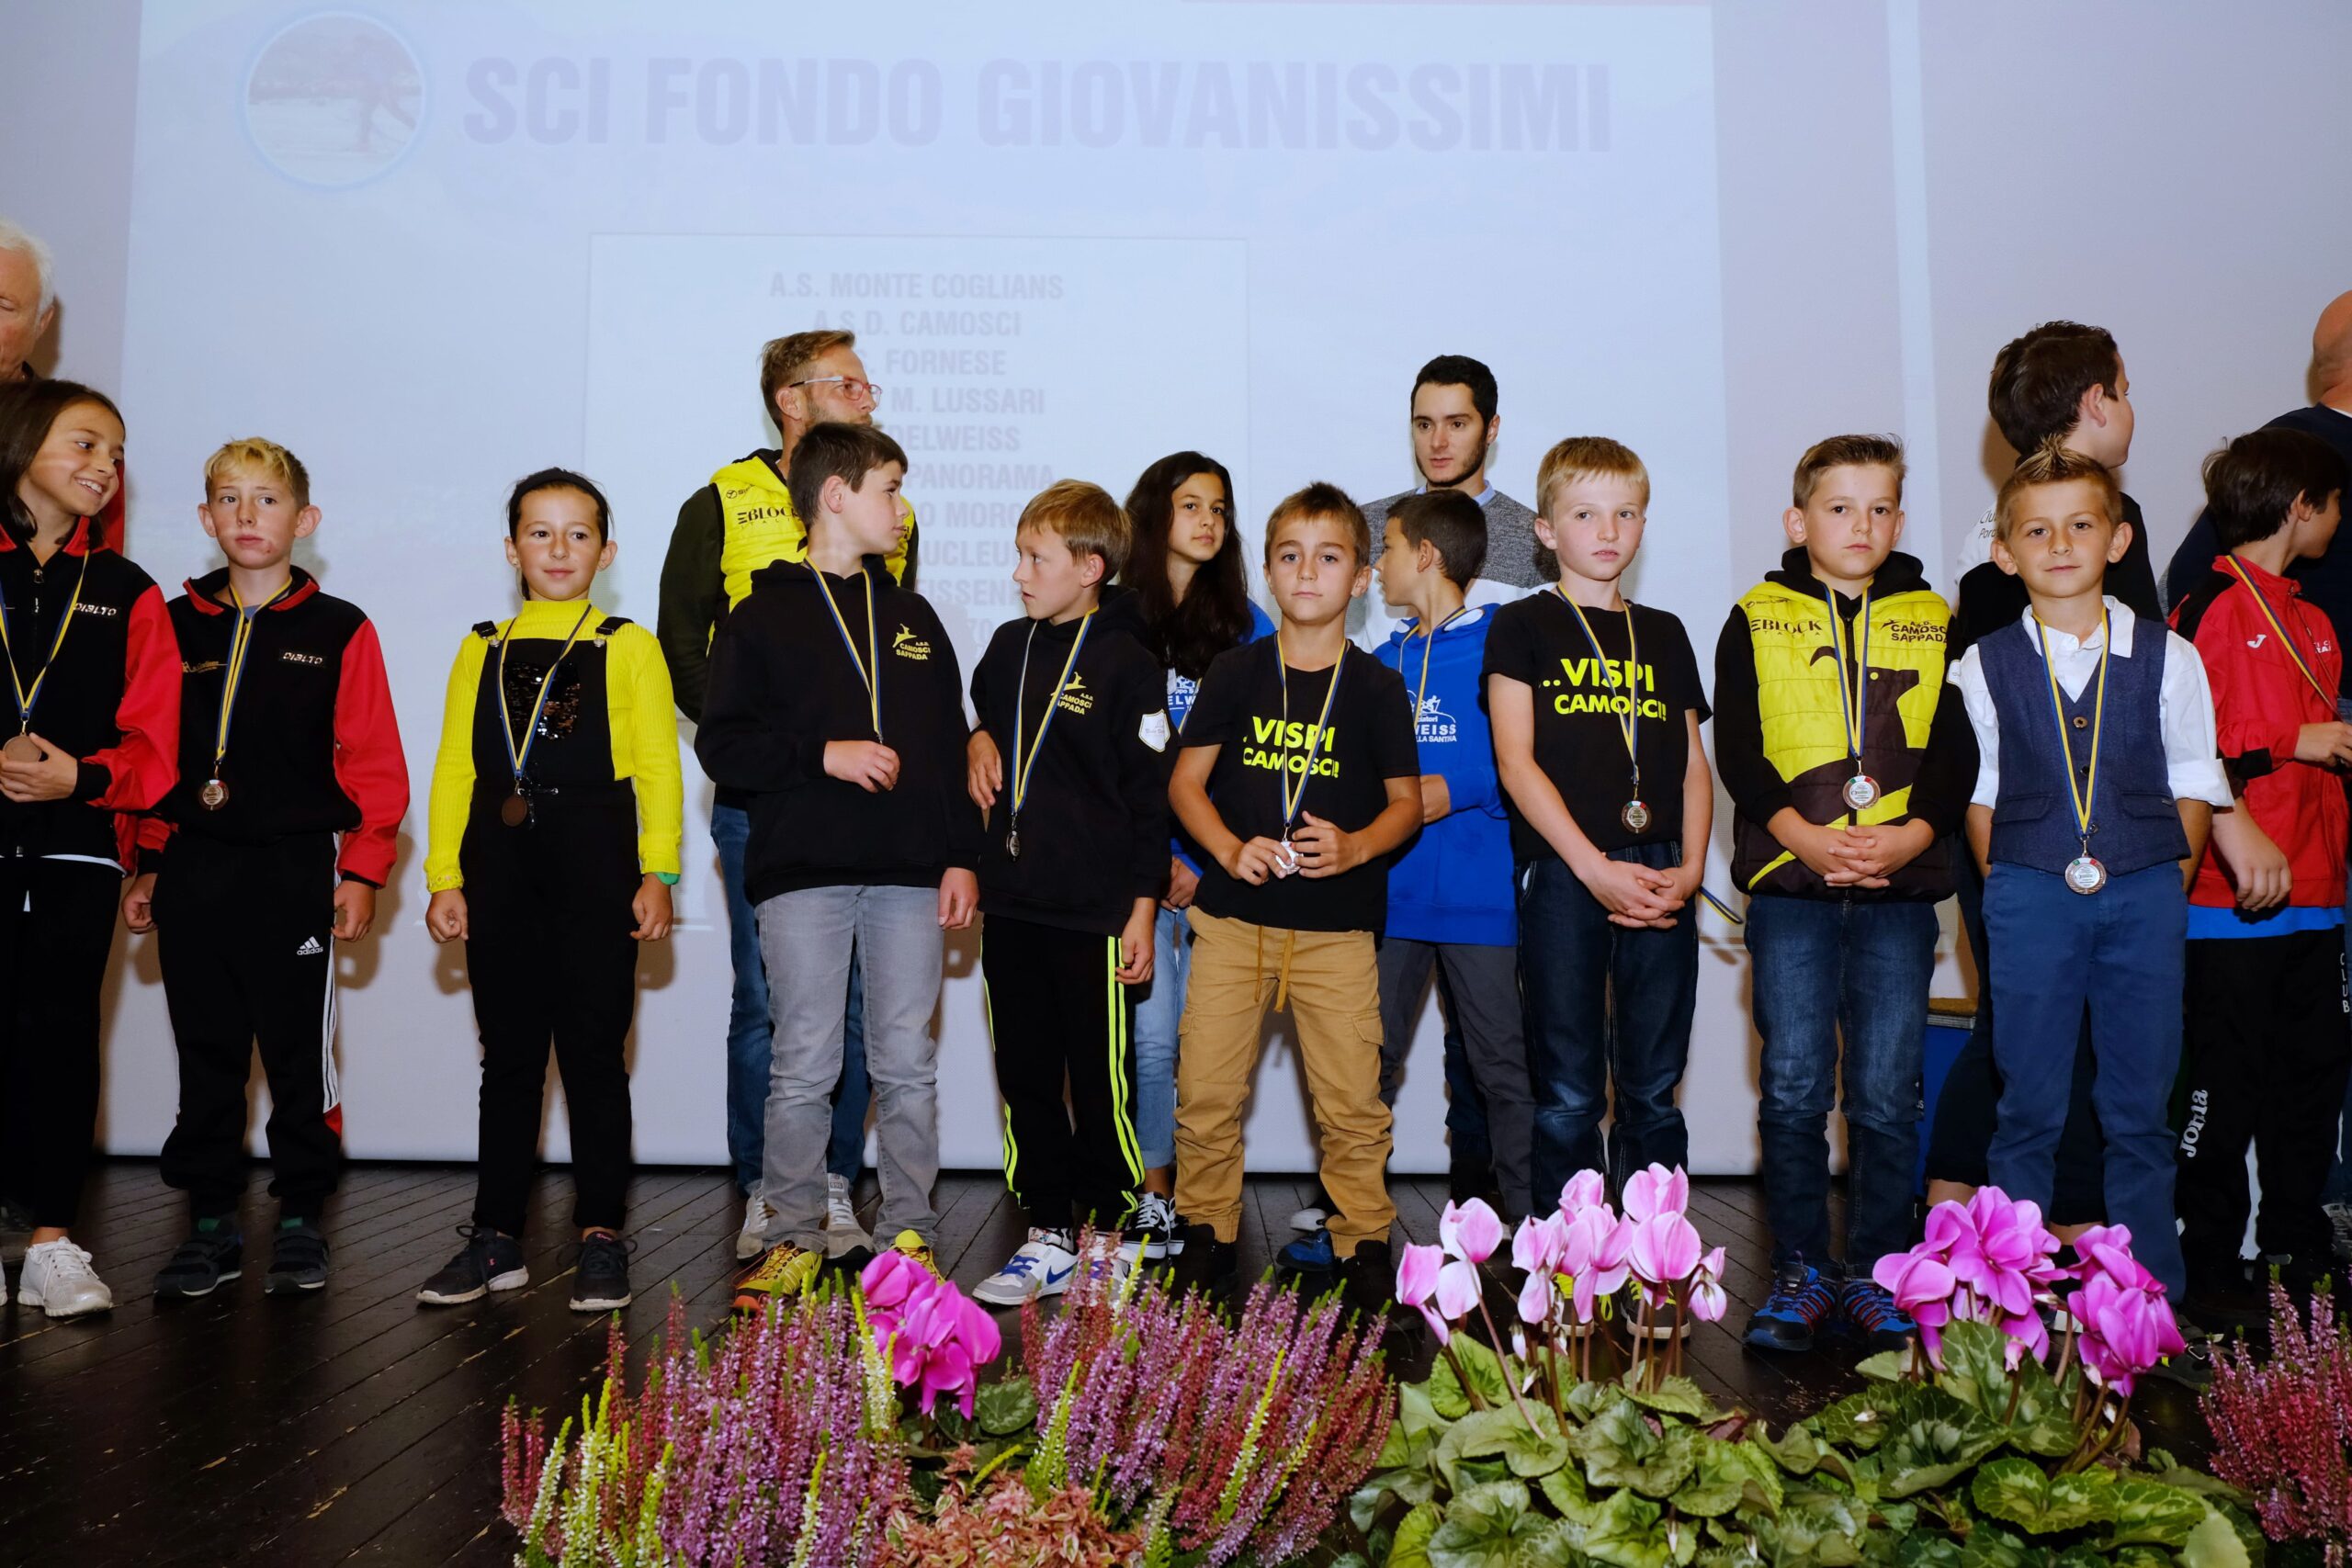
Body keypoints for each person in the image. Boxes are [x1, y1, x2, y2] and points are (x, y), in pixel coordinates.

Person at [697, 423, 977, 1314]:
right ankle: (790, 1236)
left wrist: (962, 856)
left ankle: (909, 1237)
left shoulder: (914, 618)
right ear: (835, 495)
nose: (902, 507)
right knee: (803, 1061)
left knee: (906, 1062)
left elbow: (947, 749)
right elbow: (722, 746)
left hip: (909, 875)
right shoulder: (760, 616)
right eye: (889, 488)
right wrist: (821, 755)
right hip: (804, 872)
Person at [124, 439, 407, 1300]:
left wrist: (362, 869)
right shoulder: (169, 623)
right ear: (206, 518)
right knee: (205, 1049)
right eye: (229, 499)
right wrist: (146, 859)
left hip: (294, 870)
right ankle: (210, 1219)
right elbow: (151, 754)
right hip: (193, 865)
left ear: (304, 519)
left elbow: (372, 761)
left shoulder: (341, 628)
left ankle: (300, 1214)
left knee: (295, 1055)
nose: (248, 515)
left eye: (268, 499)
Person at [1954, 443, 2233, 1312]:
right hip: (2029, 892)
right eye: (2037, 530)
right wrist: (2011, 885)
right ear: (2005, 553)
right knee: (2029, 1104)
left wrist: (2166, 883)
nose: (2061, 544)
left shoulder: (2170, 656)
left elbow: (2194, 781)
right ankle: (2014, 1300)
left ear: (2117, 539)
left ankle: (2149, 1303)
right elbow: (1980, 796)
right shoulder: (1982, 664)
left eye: (2081, 524)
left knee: (2138, 1107)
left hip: (2146, 891)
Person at [660, 328, 918, 1262]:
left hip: (864, 805)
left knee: (853, 1007)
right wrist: (768, 744)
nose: (866, 395)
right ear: (791, 399)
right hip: (761, 800)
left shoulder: (893, 510)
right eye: (848, 383)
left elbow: (899, 650)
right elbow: (682, 645)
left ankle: (835, 1184)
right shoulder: (719, 500)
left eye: (866, 383)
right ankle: (768, 1191)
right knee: (769, 1001)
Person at [1716, 434, 1972, 1354]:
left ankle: (1874, 1272)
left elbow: (1957, 751)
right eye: (1838, 507)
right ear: (1798, 521)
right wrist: (1804, 836)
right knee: (1792, 1085)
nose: (1860, 524)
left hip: (1900, 892)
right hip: (1792, 887)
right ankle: (1797, 1269)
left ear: (1899, 520)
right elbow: (1738, 747)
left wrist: (1909, 836)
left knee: (1884, 1092)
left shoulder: (1936, 619)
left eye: (1878, 508)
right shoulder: (1756, 615)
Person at [416, 469, 681, 1313]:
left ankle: (601, 1232)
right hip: (500, 862)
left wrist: (658, 869)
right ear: (511, 549)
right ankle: (496, 1236)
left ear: (607, 551)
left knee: (595, 1055)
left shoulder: (626, 644)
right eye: (540, 532)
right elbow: (454, 766)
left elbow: (659, 767)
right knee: (509, 1058)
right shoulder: (481, 646)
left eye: (578, 533)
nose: (558, 549)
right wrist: (445, 874)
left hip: (596, 856)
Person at [1164, 481, 1420, 1303]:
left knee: (1352, 1105)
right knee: (1206, 1092)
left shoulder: (1376, 686)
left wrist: (1356, 846)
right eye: (1289, 555)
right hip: (1233, 924)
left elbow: (1407, 803)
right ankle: (1206, 1232)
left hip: (1336, 930)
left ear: (1361, 578)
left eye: (1329, 556)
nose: (1308, 571)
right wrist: (1227, 848)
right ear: (1270, 573)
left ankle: (1363, 1245)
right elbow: (1185, 784)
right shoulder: (1236, 671)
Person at [2156, 292, 2352, 1258]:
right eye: (2334, 502)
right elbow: (2189, 747)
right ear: (2299, 505)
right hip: (2229, 899)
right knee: (2222, 1085)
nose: (2340, 519)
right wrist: (2292, 742)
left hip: (2318, 894)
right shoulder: (2208, 610)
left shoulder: (2314, 618)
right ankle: (2207, 1257)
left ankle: (2296, 1244)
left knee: (2311, 1081)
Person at [1487, 438, 1713, 1221]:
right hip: (1564, 871)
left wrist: (1690, 869)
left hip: (1661, 870)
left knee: (1653, 1086)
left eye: (1626, 513)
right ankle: (1567, 1258)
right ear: (1547, 529)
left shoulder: (1665, 631)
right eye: (1585, 514)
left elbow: (1693, 765)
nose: (1608, 530)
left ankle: (1657, 1253)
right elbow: (1515, 762)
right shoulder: (1522, 625)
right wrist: (1591, 867)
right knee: (1569, 1090)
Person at [963, 480, 1169, 1303]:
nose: (1019, 573)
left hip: (1097, 914)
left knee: (1101, 1081)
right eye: (1019, 555)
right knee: (1026, 1074)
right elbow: (984, 714)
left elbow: (1149, 799)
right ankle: (1048, 1232)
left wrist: (1143, 909)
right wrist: (978, 736)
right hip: (1012, 903)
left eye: (1035, 558)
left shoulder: (1129, 661)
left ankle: (1112, 1233)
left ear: (1090, 568)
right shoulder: (1008, 646)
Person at [0, 379, 179, 1316]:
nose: (104, 465)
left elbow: (158, 744)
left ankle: (52, 1243)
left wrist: (84, 778)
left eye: (116, 452)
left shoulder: (127, 590)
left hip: (79, 848)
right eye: (84, 443)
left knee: (65, 1034)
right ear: (24, 441)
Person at [1109, 452, 1272, 1256]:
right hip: (1139, 872)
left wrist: (1205, 859)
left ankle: (1207, 1198)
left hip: (1220, 871)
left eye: (1220, 507)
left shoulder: (1250, 626)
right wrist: (1153, 861)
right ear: (1153, 514)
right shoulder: (1111, 618)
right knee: (1152, 1042)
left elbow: (1265, 760)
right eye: (1191, 505)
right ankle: (1155, 1194)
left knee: (1209, 1050)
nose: (1209, 520)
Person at [1371, 488, 1536, 1220]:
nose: (1378, 564)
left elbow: (1533, 759)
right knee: (1367, 1063)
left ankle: (1533, 1227)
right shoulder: (1381, 660)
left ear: (1426, 555)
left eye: (1387, 548)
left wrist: (1456, 787)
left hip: (1481, 900)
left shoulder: (1506, 643)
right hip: (1393, 898)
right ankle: (1354, 1215)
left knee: (1501, 1067)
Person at [1951, 321, 2159, 620]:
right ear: (2097, 403)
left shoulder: (1985, 526)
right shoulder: (2109, 514)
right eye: (2124, 393)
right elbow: (2141, 639)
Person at [1356, 354, 1545, 645]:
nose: (1437, 442)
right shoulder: (1363, 526)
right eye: (1424, 425)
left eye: (1456, 424)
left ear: (1491, 429)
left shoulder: (1536, 539)